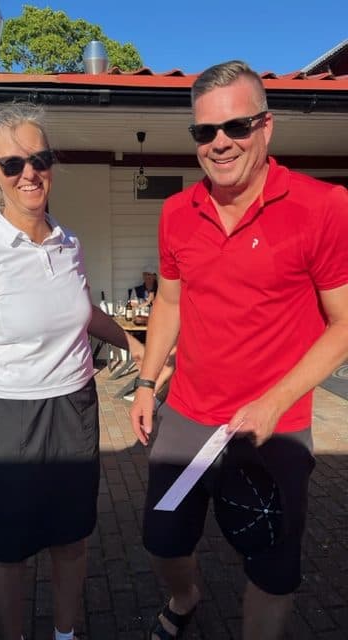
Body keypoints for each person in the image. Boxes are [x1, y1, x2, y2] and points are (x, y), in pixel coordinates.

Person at [130, 60, 348, 640]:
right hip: (187, 416)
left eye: (236, 126)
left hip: (273, 427)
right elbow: (169, 303)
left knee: (271, 568)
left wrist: (276, 401)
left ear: (265, 126)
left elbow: (344, 324)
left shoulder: (324, 206)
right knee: (162, 538)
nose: (220, 142)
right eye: (205, 131)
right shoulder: (177, 212)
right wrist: (147, 383)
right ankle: (185, 597)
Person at [0, 103, 143, 640]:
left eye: (40, 159)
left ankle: (65, 634)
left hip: (74, 410)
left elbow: (82, 311)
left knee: (71, 539)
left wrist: (135, 343)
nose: (29, 173)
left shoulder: (70, 244)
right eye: (13, 163)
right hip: (3, 421)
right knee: (8, 550)